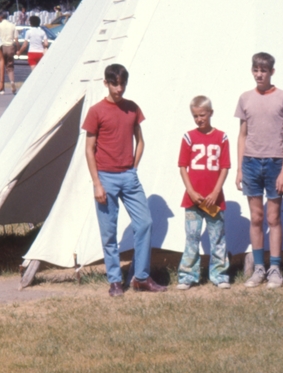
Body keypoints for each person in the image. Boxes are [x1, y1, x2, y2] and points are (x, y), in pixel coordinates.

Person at [83, 63, 165, 297]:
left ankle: (140, 276)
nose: (119, 89)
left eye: (122, 84)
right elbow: (89, 149)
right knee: (109, 232)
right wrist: (97, 183)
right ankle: (115, 281)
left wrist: (133, 167)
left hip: (129, 177)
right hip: (105, 178)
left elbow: (140, 141)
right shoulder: (96, 111)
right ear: (106, 83)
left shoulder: (132, 108)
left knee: (145, 223)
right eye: (114, 84)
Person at [235, 52, 283, 289]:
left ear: (272, 72)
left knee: (274, 218)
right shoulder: (245, 98)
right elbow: (242, 135)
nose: (259, 74)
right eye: (256, 70)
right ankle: (258, 268)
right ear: (252, 71)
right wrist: (239, 168)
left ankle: (275, 269)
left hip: (275, 163)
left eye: (264, 70)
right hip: (250, 162)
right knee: (257, 218)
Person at [177, 95, 231, 290]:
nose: (199, 119)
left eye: (202, 115)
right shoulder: (188, 137)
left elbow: (225, 166)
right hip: (193, 199)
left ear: (211, 113)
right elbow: (182, 166)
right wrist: (190, 191)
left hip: (213, 199)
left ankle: (220, 274)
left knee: (217, 237)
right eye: (195, 116)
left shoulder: (222, 137)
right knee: (192, 237)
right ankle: (188, 276)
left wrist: (216, 191)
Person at [0, 12, 18, 94]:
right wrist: (17, 49)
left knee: (1, 67)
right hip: (10, 46)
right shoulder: (12, 25)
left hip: (1, 47)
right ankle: (12, 82)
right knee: (10, 67)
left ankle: (2, 87)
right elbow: (16, 39)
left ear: (0, 17)